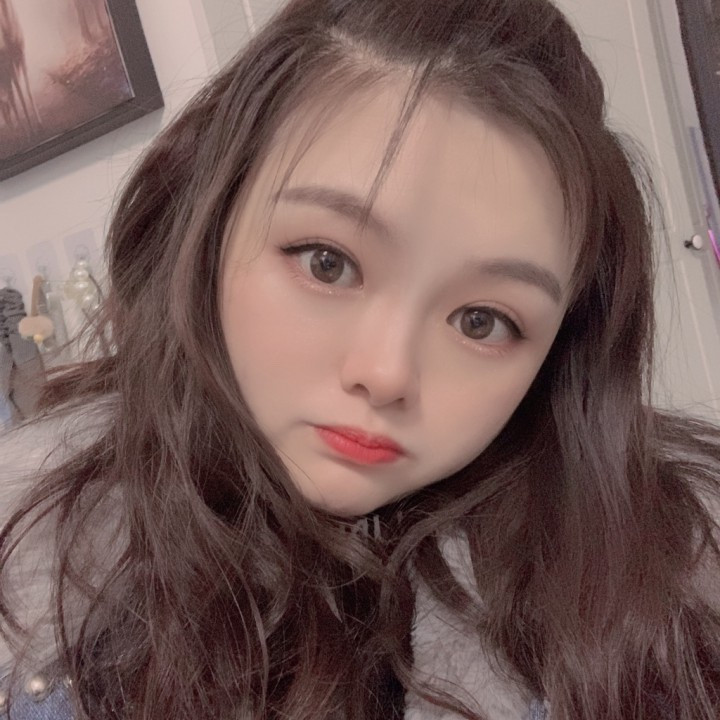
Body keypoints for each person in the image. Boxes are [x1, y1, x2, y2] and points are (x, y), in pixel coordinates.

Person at [1, 0, 719, 717]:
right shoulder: (40, 563)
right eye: (328, 263)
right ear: (211, 226)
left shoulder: (658, 580)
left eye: (482, 321)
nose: (386, 374)